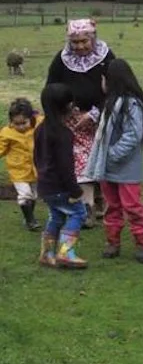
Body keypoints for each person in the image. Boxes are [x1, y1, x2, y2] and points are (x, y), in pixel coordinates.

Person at [45, 19, 115, 228]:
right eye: (75, 42)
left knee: (101, 163)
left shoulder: (106, 57)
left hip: (100, 120)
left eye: (84, 41)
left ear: (93, 37)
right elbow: (51, 87)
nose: (80, 46)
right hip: (72, 122)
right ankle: (86, 210)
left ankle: (103, 204)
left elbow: (115, 90)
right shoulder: (62, 59)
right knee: (79, 167)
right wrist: (63, 111)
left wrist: (94, 114)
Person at [82, 59, 143, 264]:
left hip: (126, 168)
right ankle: (112, 242)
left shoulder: (131, 104)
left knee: (132, 206)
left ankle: (142, 244)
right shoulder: (110, 103)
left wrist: (112, 154)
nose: (101, 83)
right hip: (108, 167)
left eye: (103, 79)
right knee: (112, 205)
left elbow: (133, 134)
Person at [34, 84, 87, 269]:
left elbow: (37, 157)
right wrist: (75, 190)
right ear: (65, 107)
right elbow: (66, 167)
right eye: (71, 104)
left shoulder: (40, 129)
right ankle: (66, 253)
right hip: (60, 187)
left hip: (45, 185)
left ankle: (47, 254)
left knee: (56, 216)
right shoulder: (63, 134)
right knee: (79, 213)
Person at [1, 98, 42, 230]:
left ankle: (29, 217)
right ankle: (31, 221)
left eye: (24, 123)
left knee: (34, 195)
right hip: (18, 170)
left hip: (35, 169)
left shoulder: (37, 126)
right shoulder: (7, 133)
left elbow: (45, 120)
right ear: (11, 121)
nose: (20, 127)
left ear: (31, 118)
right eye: (16, 124)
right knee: (25, 194)